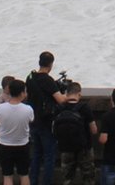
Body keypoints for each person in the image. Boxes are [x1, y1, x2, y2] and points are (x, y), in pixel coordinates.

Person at [26, 52, 67, 185]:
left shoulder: (30, 77)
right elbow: (60, 100)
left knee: (36, 154)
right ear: (51, 64)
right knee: (49, 156)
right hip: (46, 122)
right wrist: (69, 95)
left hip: (33, 121)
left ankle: (33, 181)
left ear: (40, 62)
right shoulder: (47, 80)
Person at [53, 81, 98, 185]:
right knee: (88, 177)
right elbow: (94, 130)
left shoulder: (59, 108)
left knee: (67, 178)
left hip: (65, 147)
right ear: (79, 94)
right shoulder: (84, 107)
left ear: (66, 93)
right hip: (84, 147)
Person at [0, 79, 35, 185]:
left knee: (7, 176)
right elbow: (31, 120)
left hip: (5, 145)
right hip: (22, 145)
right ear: (22, 93)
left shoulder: (1, 108)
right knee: (24, 174)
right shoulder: (28, 109)